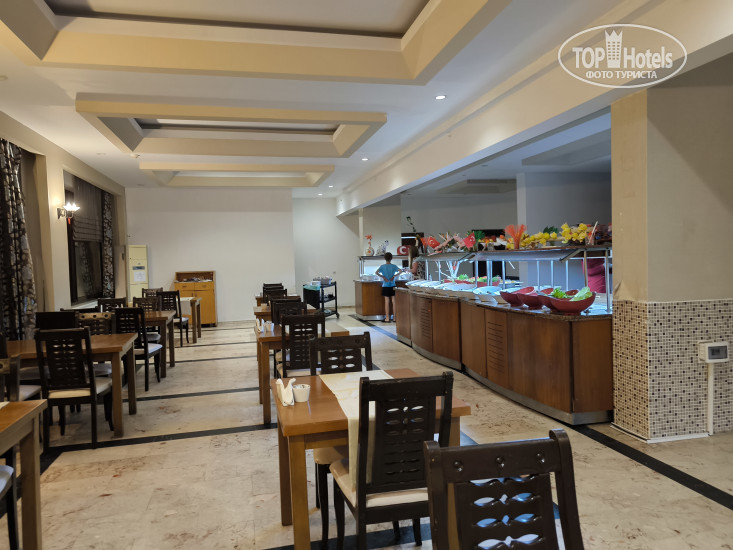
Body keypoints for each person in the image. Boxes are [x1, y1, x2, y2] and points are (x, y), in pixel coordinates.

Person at [376, 252, 400, 322]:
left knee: (387, 301)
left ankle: (387, 318)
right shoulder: (394, 266)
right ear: (391, 258)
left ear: (384, 258)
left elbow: (376, 272)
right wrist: (394, 276)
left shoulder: (382, 266)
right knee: (394, 301)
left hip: (385, 285)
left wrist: (383, 277)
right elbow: (400, 271)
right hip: (393, 285)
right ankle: (395, 318)